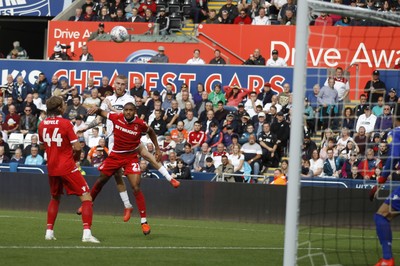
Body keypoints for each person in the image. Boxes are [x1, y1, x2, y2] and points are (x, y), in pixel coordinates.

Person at [38, 96, 99, 243]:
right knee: (86, 197)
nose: (66, 105)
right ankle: (87, 234)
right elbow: (77, 147)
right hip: (66, 166)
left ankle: (49, 232)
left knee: (55, 197)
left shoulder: (42, 124)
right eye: (64, 104)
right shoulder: (65, 123)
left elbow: (41, 146)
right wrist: (76, 159)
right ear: (59, 108)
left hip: (52, 167)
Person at [369, 105, 400, 266]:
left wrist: (379, 183)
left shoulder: (395, 133)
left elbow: (392, 159)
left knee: (381, 216)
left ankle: (387, 259)